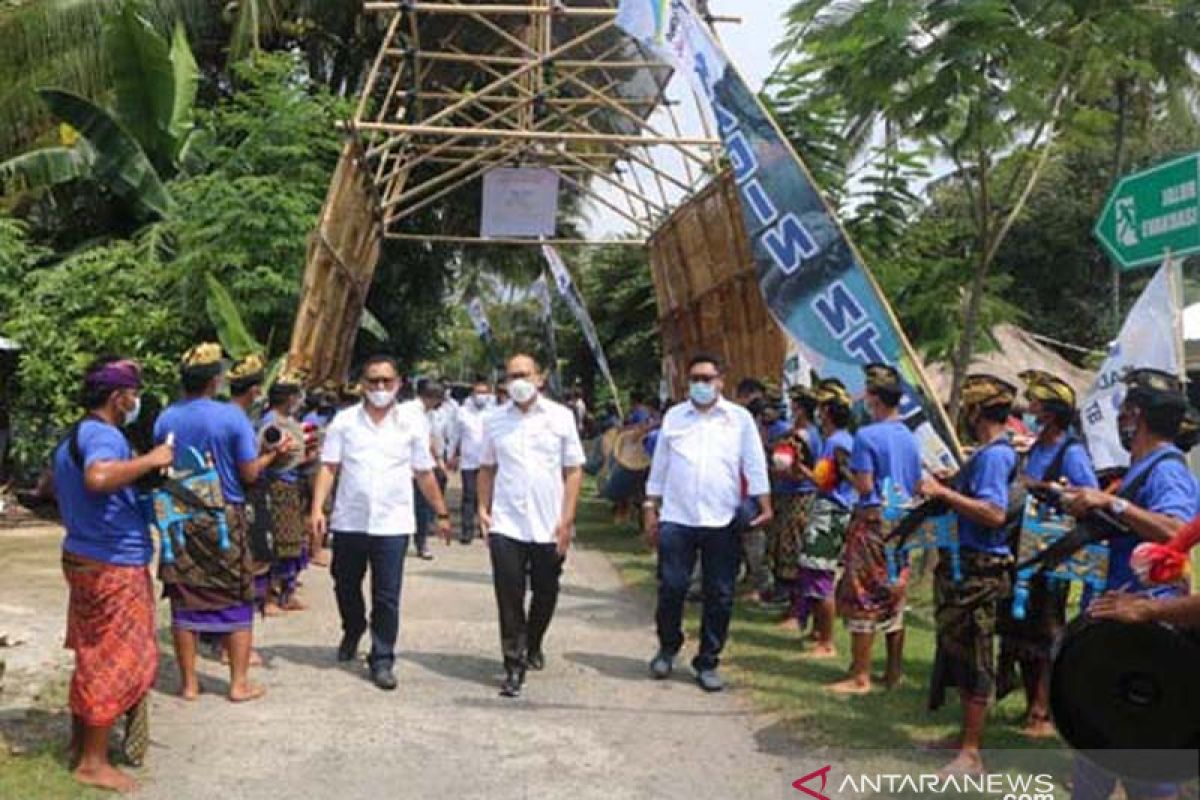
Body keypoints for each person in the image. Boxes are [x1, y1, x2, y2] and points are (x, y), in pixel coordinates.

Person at [1061, 369, 1200, 800]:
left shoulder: (1167, 471)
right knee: (1097, 747)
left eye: (1125, 410)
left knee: (1147, 763)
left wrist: (1113, 503)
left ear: (1135, 415)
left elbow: (1175, 528)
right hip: (1117, 629)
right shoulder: (1140, 470)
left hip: (1147, 640)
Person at [55, 357, 173, 793]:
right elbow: (99, 477)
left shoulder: (73, 434)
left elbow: (51, 487)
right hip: (113, 564)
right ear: (118, 396)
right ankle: (92, 762)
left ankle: (79, 745)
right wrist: (152, 459)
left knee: (91, 651)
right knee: (115, 659)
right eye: (134, 392)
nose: (136, 401)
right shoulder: (104, 435)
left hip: (83, 556)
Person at [154, 344, 291, 703]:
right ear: (216, 380)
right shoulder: (231, 418)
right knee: (236, 596)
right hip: (223, 517)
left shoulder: (165, 418)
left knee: (184, 596)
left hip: (179, 514)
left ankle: (189, 684)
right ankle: (238, 683)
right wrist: (273, 456)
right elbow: (248, 474)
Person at [310, 355, 452, 690]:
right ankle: (354, 626)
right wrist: (317, 509)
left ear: (398, 384)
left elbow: (423, 472)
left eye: (386, 381)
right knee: (345, 584)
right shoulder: (344, 422)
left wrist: (441, 512)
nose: (379, 388)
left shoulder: (410, 425)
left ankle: (382, 657)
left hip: (393, 522)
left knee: (387, 595)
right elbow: (329, 467)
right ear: (362, 385)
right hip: (350, 520)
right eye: (373, 381)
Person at [644, 353, 773, 692]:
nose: (700, 385)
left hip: (723, 518)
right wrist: (649, 505)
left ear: (720, 381)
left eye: (706, 378)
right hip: (677, 517)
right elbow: (660, 465)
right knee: (672, 587)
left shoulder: (739, 419)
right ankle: (668, 646)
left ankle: (708, 660)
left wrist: (764, 502)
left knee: (720, 593)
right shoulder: (674, 417)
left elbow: (754, 463)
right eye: (694, 379)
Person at [918, 375, 1020, 774]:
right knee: (958, 653)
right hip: (964, 567)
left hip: (981, 570)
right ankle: (964, 737)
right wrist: (954, 485)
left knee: (976, 657)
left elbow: (993, 513)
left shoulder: (996, 456)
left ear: (977, 412)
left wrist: (944, 494)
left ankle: (972, 752)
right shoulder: (990, 452)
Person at [477, 354, 585, 698]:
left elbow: (573, 470)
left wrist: (566, 519)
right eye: (512, 376)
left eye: (524, 374)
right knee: (508, 595)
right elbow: (487, 468)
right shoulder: (494, 420)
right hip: (507, 523)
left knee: (546, 590)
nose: (518, 381)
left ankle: (534, 639)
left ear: (540, 379)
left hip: (548, 523)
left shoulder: (561, 417)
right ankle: (513, 663)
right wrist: (483, 508)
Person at [998, 370, 1097, 738]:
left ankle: (1042, 712)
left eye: (1036, 403)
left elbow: (1088, 499)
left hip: (1051, 553)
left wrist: (1043, 488)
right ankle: (1030, 706)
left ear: (1052, 412)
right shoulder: (1036, 446)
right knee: (1019, 630)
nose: (1030, 408)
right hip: (1023, 550)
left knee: (1044, 630)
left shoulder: (1071, 453)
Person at [832, 363, 921, 695]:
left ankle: (861, 676)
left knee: (863, 593)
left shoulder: (867, 436)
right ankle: (893, 672)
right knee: (895, 593)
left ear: (873, 398)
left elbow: (865, 484)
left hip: (873, 520)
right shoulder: (909, 437)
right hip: (904, 520)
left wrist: (845, 471)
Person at [791, 379, 856, 657]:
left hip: (830, 512)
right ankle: (818, 632)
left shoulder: (835, 443)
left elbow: (824, 482)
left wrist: (799, 468)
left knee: (821, 575)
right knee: (816, 573)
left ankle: (826, 641)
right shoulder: (844, 440)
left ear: (826, 412)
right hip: (836, 510)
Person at [261, 372, 315, 612]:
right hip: (276, 486)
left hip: (293, 484)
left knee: (293, 541)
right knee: (277, 542)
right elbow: (265, 452)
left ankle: (287, 590)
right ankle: (270, 596)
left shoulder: (290, 420)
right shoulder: (271, 422)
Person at [763, 385, 820, 612]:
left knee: (791, 544)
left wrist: (774, 470)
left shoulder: (804, 437)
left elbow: (798, 471)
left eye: (795, 406)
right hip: (788, 493)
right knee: (781, 542)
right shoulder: (800, 433)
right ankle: (784, 591)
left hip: (798, 495)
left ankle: (792, 598)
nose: (792, 410)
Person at [450, 377, 493, 544]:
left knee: (488, 496)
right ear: (473, 394)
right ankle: (467, 531)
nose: (481, 396)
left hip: (489, 462)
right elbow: (455, 435)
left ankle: (486, 528)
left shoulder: (494, 411)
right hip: (469, 460)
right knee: (469, 495)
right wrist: (452, 455)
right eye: (478, 392)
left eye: (484, 392)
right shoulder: (463, 412)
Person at [410, 378, 450, 560]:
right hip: (410, 471)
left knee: (422, 508)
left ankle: (421, 542)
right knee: (418, 508)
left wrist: (439, 460)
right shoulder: (411, 413)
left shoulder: (425, 414)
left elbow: (429, 440)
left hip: (422, 467)